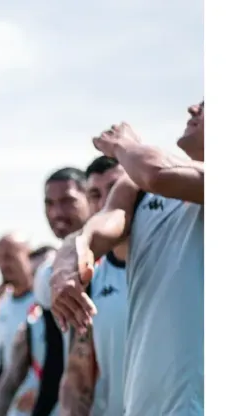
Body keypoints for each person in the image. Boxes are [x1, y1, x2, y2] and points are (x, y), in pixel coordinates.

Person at [50, 102, 204, 415]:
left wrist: (126, 145)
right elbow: (96, 229)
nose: (192, 108)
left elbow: (156, 171)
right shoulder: (135, 189)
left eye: (207, 104)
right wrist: (67, 267)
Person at [0, 168, 90, 416]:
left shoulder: (117, 259)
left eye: (68, 201)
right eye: (49, 204)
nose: (57, 213)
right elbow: (53, 360)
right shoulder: (47, 276)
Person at [58, 156, 128, 416]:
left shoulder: (172, 255)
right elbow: (78, 378)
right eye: (95, 194)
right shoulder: (89, 278)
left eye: (116, 189)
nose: (106, 203)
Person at [0, 233, 37, 416]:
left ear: (28, 256)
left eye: (9, 256)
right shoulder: (0, 306)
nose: (3, 264)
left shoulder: (43, 301)